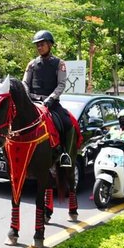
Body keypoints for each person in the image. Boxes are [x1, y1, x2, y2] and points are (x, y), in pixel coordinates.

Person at [22, 30, 72, 167]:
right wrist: (26, 96)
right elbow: (25, 82)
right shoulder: (31, 64)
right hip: (32, 102)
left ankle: (64, 154)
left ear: (50, 45)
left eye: (42, 44)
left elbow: (62, 84)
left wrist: (51, 99)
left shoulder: (59, 63)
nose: (39, 47)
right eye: (37, 45)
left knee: (67, 123)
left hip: (51, 103)